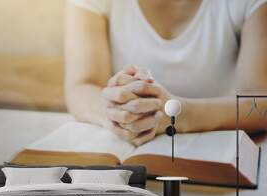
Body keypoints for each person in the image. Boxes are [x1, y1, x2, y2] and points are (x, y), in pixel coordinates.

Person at [64, 0, 267, 146]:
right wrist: (117, 113)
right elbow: (81, 86)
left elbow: (261, 106)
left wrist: (177, 114)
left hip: (217, 160)